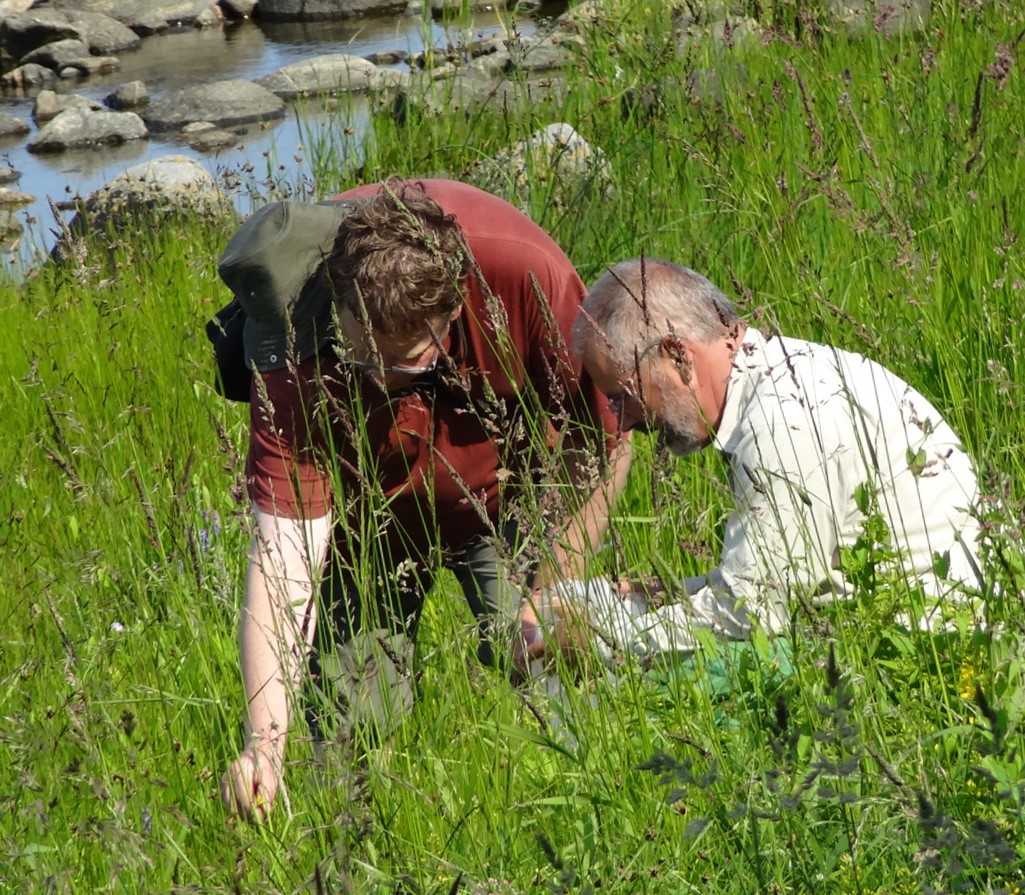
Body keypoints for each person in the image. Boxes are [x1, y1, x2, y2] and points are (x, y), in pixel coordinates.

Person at [216, 178, 631, 820]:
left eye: (405, 365)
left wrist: (551, 588)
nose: (382, 381)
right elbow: (282, 558)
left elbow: (603, 438)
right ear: (339, 307)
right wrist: (263, 745)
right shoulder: (297, 334)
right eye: (363, 360)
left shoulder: (523, 275)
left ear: (454, 311)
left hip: (509, 500)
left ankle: (594, 819)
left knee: (552, 671)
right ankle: (341, 841)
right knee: (348, 722)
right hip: (372, 520)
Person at [516, 258, 984, 671]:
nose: (623, 421)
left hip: (928, 649)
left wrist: (597, 638)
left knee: (630, 678)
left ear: (678, 355)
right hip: (893, 625)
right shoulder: (783, 377)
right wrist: (663, 592)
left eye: (624, 395)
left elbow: (756, 610)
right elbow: (782, 580)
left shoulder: (783, 421)